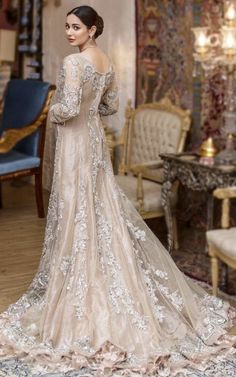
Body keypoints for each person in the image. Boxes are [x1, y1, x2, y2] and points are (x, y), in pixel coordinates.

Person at [0, 5, 235, 376]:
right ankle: (96, 278)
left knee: (77, 210)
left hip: (77, 146)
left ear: (93, 29)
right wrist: (85, 107)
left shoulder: (74, 65)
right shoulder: (106, 61)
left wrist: (50, 110)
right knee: (96, 209)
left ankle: (79, 288)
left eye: (76, 27)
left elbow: (70, 108)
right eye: (67, 26)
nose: (69, 32)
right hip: (93, 144)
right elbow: (108, 105)